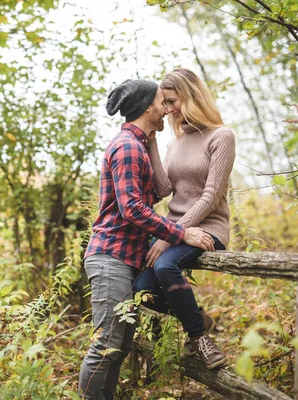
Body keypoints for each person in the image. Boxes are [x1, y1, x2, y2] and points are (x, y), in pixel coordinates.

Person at [79, 79, 215, 399]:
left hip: (124, 260)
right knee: (106, 346)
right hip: (111, 257)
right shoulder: (127, 147)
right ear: (146, 107)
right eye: (160, 102)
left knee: (121, 345)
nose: (166, 109)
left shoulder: (139, 145)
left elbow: (160, 190)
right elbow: (133, 210)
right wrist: (182, 232)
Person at [133, 68, 236, 369]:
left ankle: (199, 339)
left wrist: (170, 235)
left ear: (190, 96)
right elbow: (165, 189)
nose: (167, 110)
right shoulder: (175, 142)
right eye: (164, 103)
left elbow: (211, 194)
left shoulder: (221, 136)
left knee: (166, 264)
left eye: (172, 101)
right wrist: (152, 140)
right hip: (175, 230)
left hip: (207, 228)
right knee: (142, 290)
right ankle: (197, 316)